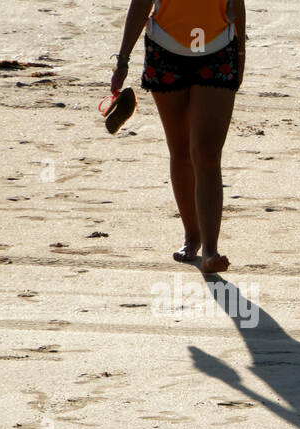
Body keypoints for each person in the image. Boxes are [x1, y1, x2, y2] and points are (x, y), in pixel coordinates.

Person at [111, 0, 245, 274]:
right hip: (165, 49)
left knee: (206, 153)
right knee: (181, 150)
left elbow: (236, 4)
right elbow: (141, 3)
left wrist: (241, 51)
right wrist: (123, 60)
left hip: (218, 49)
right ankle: (191, 236)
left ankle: (210, 250)